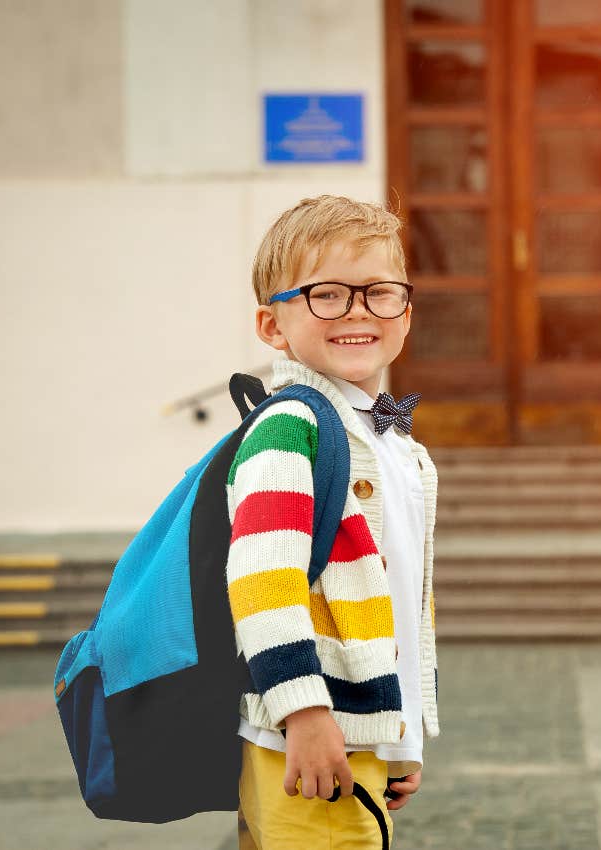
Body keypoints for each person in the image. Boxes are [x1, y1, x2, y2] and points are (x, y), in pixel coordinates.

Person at [226, 195, 439, 849]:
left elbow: (401, 598)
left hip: (359, 728)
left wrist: (404, 732)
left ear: (405, 311)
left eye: (378, 292)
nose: (356, 311)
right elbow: (264, 582)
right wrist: (305, 712)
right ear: (272, 325)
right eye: (326, 294)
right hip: (312, 732)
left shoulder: (394, 442)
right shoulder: (293, 427)